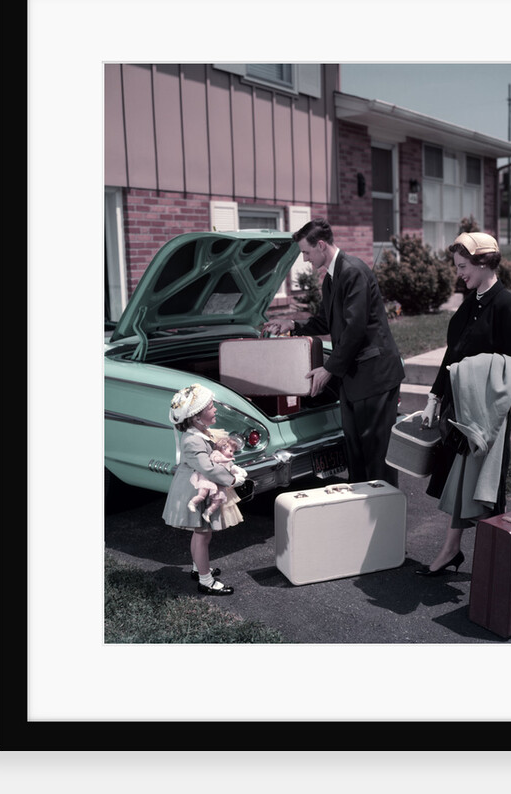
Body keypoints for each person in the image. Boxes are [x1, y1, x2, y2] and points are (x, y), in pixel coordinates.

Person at [417, 231, 511, 576]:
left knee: (485, 487)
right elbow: (452, 355)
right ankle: (452, 550)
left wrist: (474, 370)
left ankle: (496, 568)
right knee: (461, 478)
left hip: (485, 412)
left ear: (483, 264)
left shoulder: (506, 305)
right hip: (460, 408)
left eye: (463, 266)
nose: (459, 273)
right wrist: (434, 397)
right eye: (457, 266)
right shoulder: (472, 302)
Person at [262, 217, 405, 484]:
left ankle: (384, 508)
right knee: (356, 452)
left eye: (306, 252)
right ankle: (361, 503)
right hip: (354, 378)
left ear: (321, 245)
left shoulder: (352, 271)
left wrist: (328, 369)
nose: (305, 259)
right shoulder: (331, 278)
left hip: (374, 376)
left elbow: (354, 329)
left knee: (375, 455)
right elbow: (326, 322)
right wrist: (292, 324)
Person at [162, 384, 246, 596]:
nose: (215, 409)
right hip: (196, 489)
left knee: (202, 533)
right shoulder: (193, 441)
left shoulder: (200, 433)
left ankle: (198, 567)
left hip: (201, 486)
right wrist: (232, 479)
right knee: (202, 535)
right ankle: (206, 581)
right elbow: (207, 468)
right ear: (196, 417)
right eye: (210, 407)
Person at [189, 436, 247, 526]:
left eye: (233, 452)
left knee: (218, 500)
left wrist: (236, 469)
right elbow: (216, 460)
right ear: (222, 448)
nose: (232, 454)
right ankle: (193, 503)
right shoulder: (216, 454)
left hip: (219, 483)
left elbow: (230, 466)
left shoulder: (227, 459)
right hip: (209, 480)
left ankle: (208, 512)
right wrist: (227, 460)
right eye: (230, 451)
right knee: (202, 494)